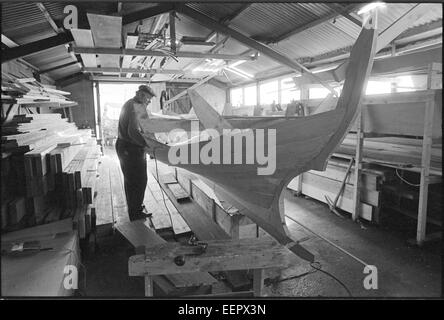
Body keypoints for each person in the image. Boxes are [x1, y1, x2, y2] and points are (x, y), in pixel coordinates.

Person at [116, 85, 156, 221]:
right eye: (148, 99)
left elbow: (145, 127)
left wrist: (152, 141)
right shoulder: (134, 106)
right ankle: (135, 213)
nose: (149, 102)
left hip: (130, 146)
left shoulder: (137, 105)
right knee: (137, 180)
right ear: (141, 95)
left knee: (134, 180)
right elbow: (132, 132)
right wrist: (147, 145)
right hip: (129, 148)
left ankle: (135, 207)